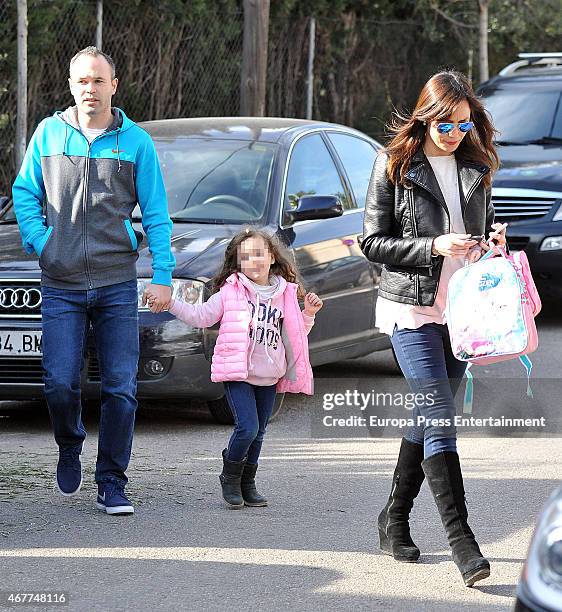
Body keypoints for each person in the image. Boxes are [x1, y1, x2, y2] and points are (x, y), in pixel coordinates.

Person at [12, 46, 175, 515]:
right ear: (71, 86)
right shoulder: (48, 134)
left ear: (114, 86)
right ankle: (69, 444)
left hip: (116, 283)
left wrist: (162, 274)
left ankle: (112, 481)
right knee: (59, 383)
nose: (90, 89)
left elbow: (158, 214)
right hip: (60, 281)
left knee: (121, 387)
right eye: (82, 81)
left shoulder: (136, 142)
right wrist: (41, 243)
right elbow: (25, 192)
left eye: (98, 81)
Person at [361, 70, 506, 586]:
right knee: (439, 413)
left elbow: (482, 230)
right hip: (411, 309)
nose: (456, 135)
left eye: (465, 126)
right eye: (447, 125)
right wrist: (432, 247)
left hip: (464, 312)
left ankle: (393, 517)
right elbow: (372, 243)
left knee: (427, 417)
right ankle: (463, 540)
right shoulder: (394, 164)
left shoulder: (476, 165)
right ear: (427, 115)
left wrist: (493, 243)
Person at [144, 227, 322, 508]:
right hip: (239, 371)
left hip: (270, 374)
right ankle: (230, 476)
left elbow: (295, 334)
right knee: (247, 427)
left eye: (259, 254)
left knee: (260, 430)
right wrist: (172, 303)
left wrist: (308, 314)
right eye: (246, 257)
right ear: (238, 263)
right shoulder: (231, 292)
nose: (254, 261)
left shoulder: (285, 294)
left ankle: (248, 482)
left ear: (273, 257)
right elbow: (201, 316)